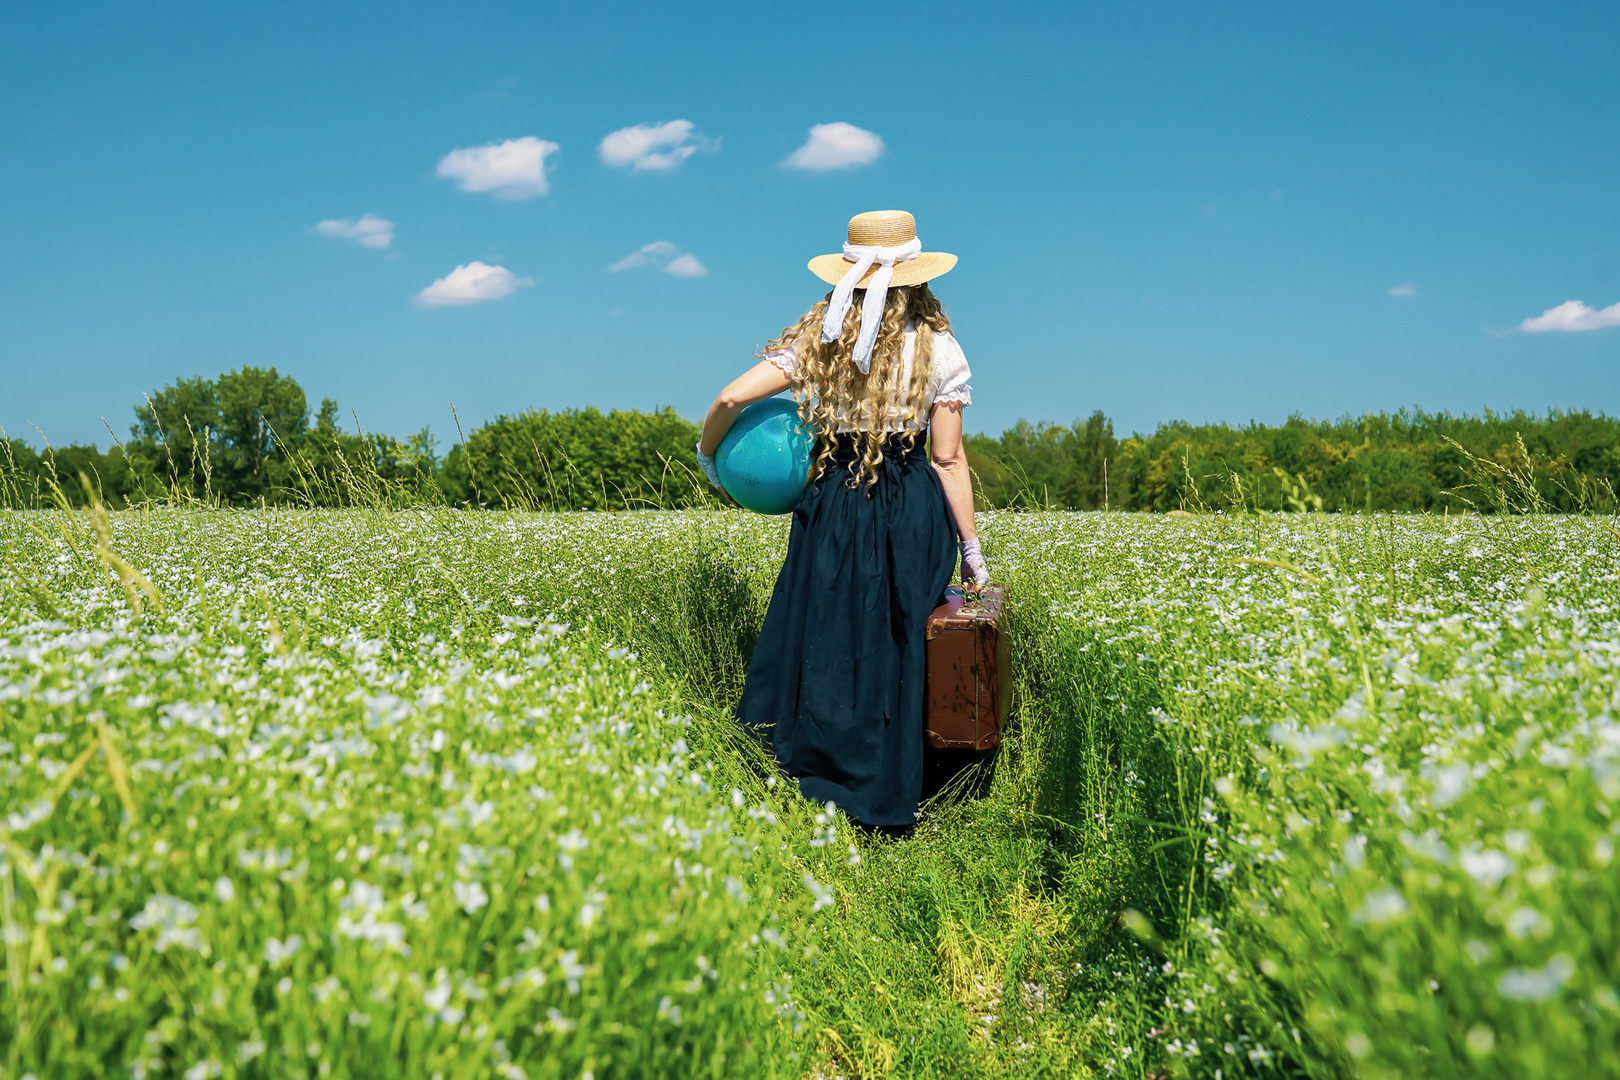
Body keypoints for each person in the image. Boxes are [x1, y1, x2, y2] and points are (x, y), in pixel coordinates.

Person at [695, 210, 989, 827]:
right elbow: (948, 458)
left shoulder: (817, 340)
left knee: (826, 632)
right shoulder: (942, 350)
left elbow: (728, 398)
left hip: (836, 498)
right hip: (910, 502)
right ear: (918, 278)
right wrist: (971, 552)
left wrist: (712, 463)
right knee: (902, 635)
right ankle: (898, 785)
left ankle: (816, 783)